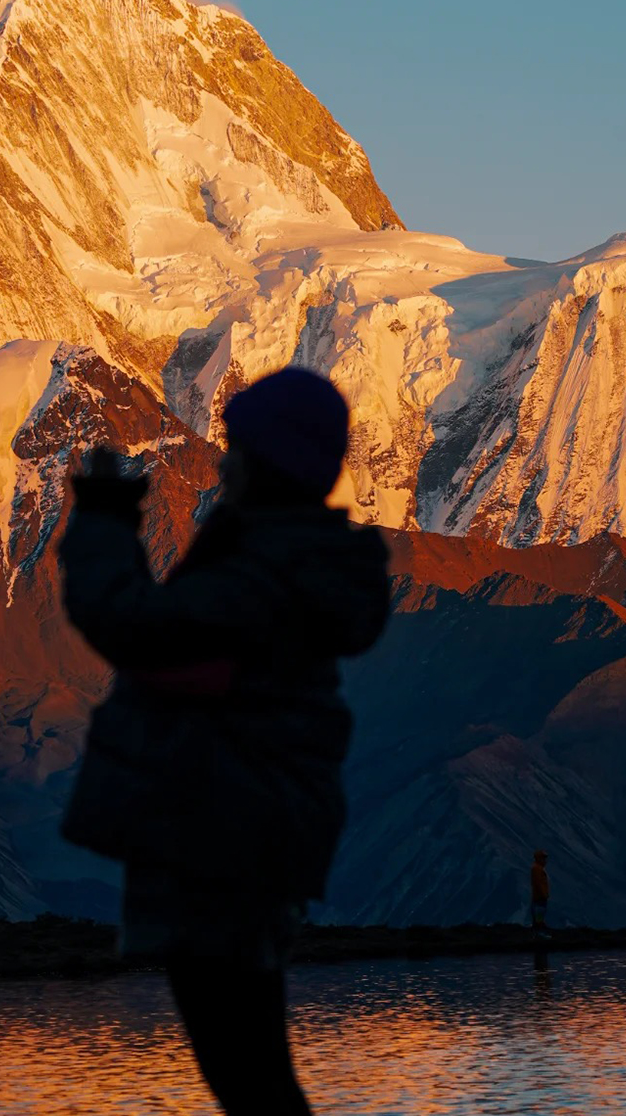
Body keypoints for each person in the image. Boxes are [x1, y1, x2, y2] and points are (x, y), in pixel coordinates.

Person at [59, 368, 390, 1116]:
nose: (221, 461)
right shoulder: (291, 563)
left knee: (247, 1076)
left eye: (236, 446)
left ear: (270, 462)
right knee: (253, 1070)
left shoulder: (266, 570)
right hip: (250, 837)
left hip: (225, 841)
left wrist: (107, 523)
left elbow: (134, 628)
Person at [531, 849, 550, 937]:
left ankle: (537, 932)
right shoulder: (537, 869)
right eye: (543, 858)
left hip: (539, 897)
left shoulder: (538, 868)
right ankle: (539, 933)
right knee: (539, 915)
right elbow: (538, 883)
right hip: (540, 897)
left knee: (539, 915)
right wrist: (544, 894)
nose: (545, 860)